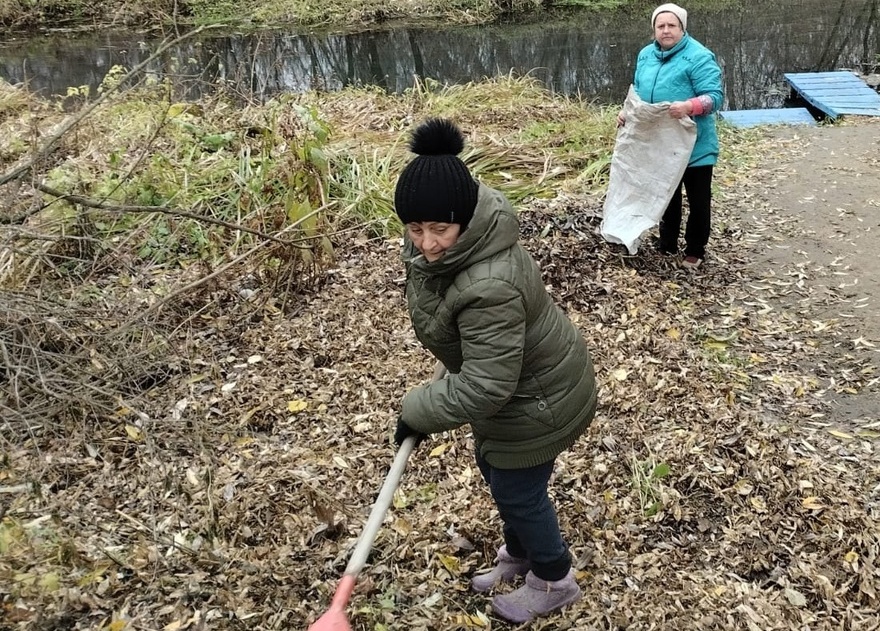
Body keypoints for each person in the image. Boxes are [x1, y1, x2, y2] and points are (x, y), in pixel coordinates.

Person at [391, 117, 598, 624]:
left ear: (463, 218)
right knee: (496, 471)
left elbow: (487, 384)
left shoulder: (490, 284)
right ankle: (521, 554)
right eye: (416, 229)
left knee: (518, 490)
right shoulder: (464, 241)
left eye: (439, 229)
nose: (427, 243)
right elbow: (476, 352)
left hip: (539, 399)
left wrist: (417, 410)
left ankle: (553, 578)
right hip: (522, 384)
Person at [617, 3, 723, 269]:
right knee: (665, 193)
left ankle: (695, 249)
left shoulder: (699, 56)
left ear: (681, 28)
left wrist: (690, 106)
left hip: (694, 143)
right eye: (660, 26)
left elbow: (715, 97)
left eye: (671, 25)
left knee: (698, 200)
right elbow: (638, 93)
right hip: (659, 142)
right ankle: (667, 243)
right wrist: (626, 112)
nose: (666, 31)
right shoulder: (645, 55)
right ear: (654, 30)